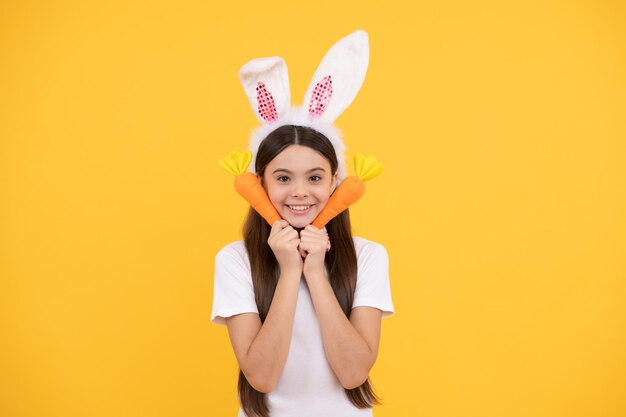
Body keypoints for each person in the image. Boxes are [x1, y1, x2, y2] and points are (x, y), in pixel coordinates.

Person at [211, 30, 394, 417]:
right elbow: (261, 377)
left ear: (335, 183)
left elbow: (353, 372)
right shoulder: (235, 260)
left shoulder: (369, 257)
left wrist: (316, 271)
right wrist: (290, 268)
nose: (299, 193)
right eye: (282, 178)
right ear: (258, 183)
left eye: (314, 178)